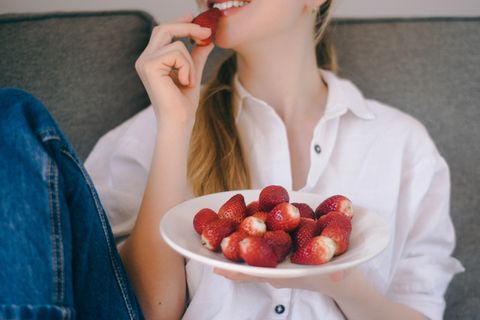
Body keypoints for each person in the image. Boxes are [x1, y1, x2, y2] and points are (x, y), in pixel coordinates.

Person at [0, 0, 463, 319]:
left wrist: (340, 284)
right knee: (11, 114)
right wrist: (176, 126)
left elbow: (418, 307)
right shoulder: (156, 127)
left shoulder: (402, 146)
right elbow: (142, 309)